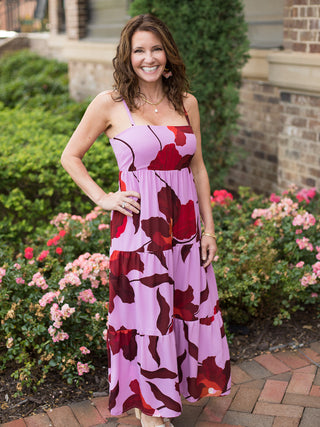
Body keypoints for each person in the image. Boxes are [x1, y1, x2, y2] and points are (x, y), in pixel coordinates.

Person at [61, 13, 231, 427]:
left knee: (183, 311)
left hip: (187, 231)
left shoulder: (186, 102)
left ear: (167, 55)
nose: (148, 58)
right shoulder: (110, 103)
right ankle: (149, 410)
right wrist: (103, 197)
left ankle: (167, 397)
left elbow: (199, 168)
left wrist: (210, 230)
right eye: (139, 50)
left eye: (155, 49)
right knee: (145, 317)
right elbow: (70, 156)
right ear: (128, 56)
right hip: (140, 233)